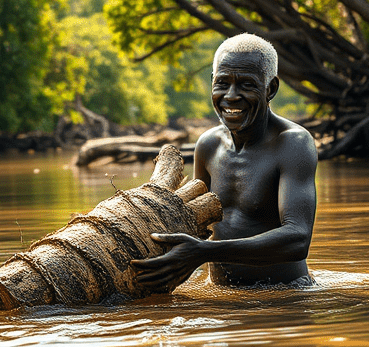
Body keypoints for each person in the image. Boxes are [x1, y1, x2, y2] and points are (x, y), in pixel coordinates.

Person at [132, 33, 318, 289]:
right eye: (222, 83)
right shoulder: (208, 145)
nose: (231, 95)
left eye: (246, 84)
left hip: (284, 298)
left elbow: (298, 238)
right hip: (221, 294)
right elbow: (193, 222)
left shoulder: (293, 144)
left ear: (270, 88)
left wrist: (204, 252)